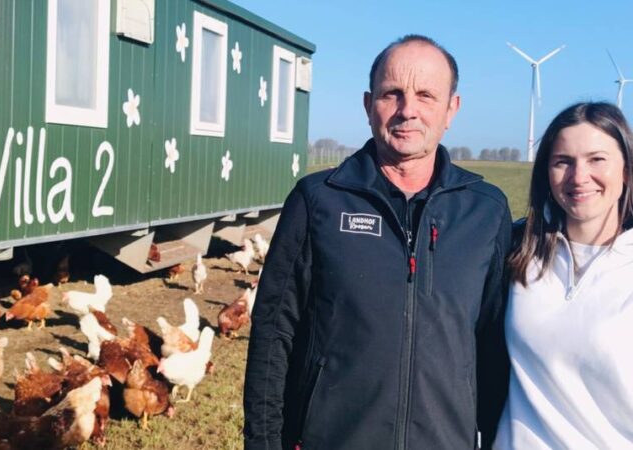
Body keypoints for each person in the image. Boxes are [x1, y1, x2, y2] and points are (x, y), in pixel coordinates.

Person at [243, 34, 512, 450]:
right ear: (369, 105)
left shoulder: (486, 211)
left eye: (426, 95)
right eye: (393, 94)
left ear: (450, 110)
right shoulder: (318, 201)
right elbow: (273, 335)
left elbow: (492, 348)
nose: (408, 110)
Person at [495, 102, 633, 449]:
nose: (578, 176)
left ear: (627, 170)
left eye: (596, 159)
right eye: (563, 162)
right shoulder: (519, 252)